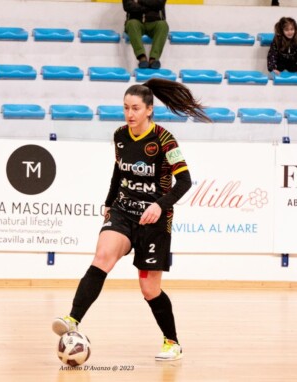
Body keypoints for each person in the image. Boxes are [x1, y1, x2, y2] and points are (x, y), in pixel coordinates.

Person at [52, 78, 210, 361]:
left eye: (135, 108)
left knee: (150, 290)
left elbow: (184, 181)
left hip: (155, 219)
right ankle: (73, 319)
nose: (130, 114)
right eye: (126, 108)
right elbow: (119, 172)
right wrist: (109, 202)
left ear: (149, 110)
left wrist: (161, 206)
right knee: (102, 256)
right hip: (124, 210)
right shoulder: (120, 135)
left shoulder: (164, 139)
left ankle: (172, 342)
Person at [123, 0, 169, 69]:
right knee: (131, 24)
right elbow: (128, 6)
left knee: (163, 26)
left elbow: (159, 4)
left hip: (155, 21)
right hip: (136, 21)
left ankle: (154, 59)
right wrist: (149, 6)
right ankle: (142, 57)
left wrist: (139, 1)